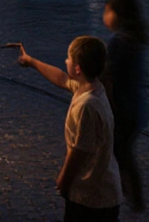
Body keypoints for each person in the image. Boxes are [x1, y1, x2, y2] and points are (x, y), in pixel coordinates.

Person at [18, 36, 122, 222]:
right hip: (104, 188)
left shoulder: (87, 105)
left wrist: (63, 181)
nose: (65, 60)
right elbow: (62, 79)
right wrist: (32, 61)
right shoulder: (93, 87)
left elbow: (80, 151)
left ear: (77, 68)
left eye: (68, 58)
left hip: (91, 195)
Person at [100, 0, 149, 212]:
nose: (104, 16)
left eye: (106, 11)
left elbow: (106, 74)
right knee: (124, 152)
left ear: (117, 16)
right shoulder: (134, 38)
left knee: (119, 153)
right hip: (137, 105)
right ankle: (133, 197)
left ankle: (125, 197)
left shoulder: (118, 42)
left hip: (122, 106)